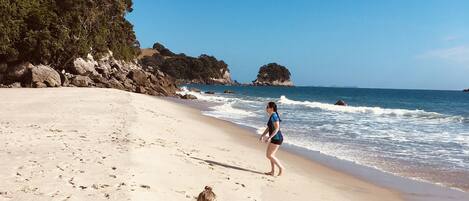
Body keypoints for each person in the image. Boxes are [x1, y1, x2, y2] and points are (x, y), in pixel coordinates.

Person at [259, 102, 285, 176]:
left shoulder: (274, 116)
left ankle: (281, 168)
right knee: (271, 155)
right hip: (275, 138)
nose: (266, 108)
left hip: (277, 138)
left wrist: (269, 137)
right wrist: (262, 135)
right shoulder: (272, 116)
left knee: (269, 155)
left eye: (267, 107)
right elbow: (269, 128)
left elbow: (277, 128)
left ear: (271, 108)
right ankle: (272, 171)